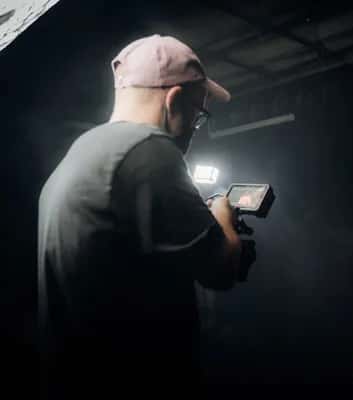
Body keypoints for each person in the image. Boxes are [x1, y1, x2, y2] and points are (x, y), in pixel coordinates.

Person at [38, 34, 246, 399]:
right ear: (173, 100)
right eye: (198, 116)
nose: (195, 130)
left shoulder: (81, 152)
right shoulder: (149, 152)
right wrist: (222, 214)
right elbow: (222, 268)